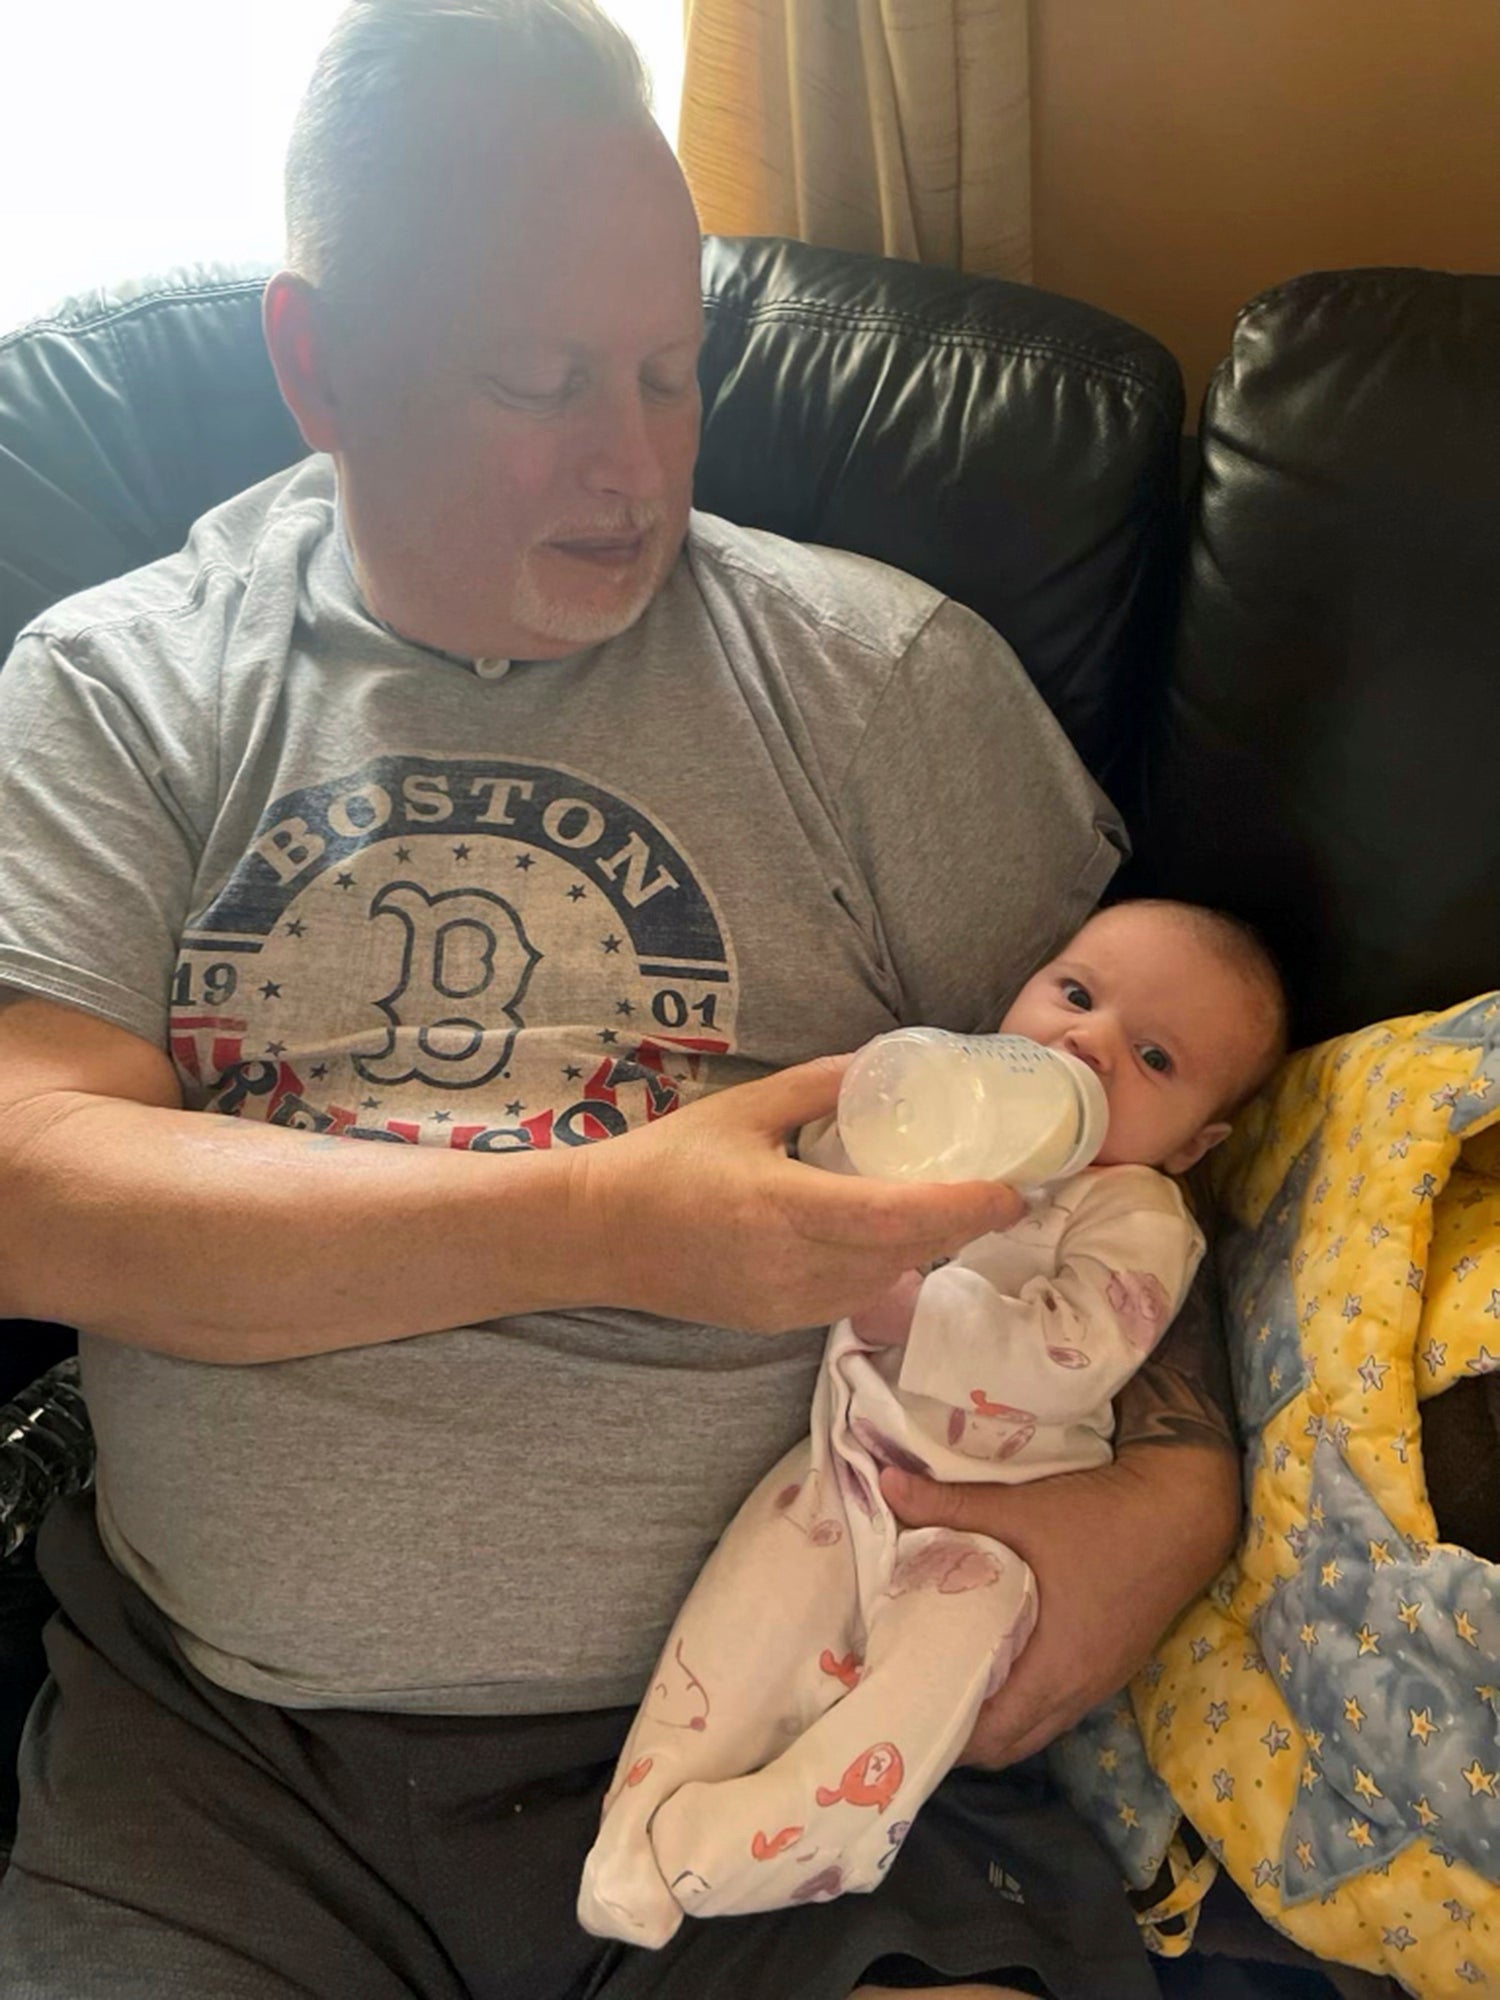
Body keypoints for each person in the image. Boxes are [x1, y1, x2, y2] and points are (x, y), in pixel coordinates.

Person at [0, 5, 1241, 1997]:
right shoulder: (118, 695)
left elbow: (1153, 1132)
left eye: (672, 371)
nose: (633, 464)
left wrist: (1175, 1493)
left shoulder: (881, 688)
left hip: (808, 1739)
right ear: (314, 363)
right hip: (235, 1771)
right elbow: (31, 1184)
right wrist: (606, 1224)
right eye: (540, 379)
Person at [580, 900, 1287, 1947]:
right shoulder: (958, 1135)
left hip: (995, 1532)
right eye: (1076, 994)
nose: (1086, 1043)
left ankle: (782, 1838)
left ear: (1195, 1143)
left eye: (1150, 1055)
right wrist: (865, 1120)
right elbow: (814, 1192)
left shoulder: (1136, 1211)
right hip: (841, 1469)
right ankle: (635, 1834)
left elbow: (1076, 1351)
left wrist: (918, 1309)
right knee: (730, 1639)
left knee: (926, 1681)